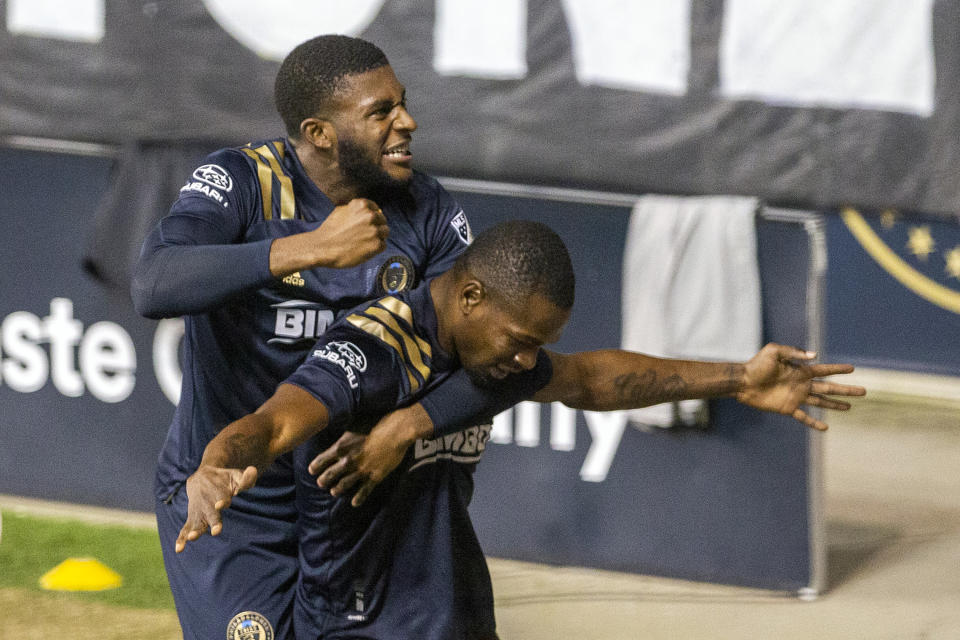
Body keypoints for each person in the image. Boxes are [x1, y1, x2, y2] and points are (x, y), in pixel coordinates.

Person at [177, 220, 865, 640]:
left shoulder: (491, 356)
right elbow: (271, 423)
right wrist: (214, 465)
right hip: (362, 620)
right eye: (520, 339)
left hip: (454, 611)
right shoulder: (372, 352)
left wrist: (740, 379)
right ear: (470, 295)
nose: (527, 359)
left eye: (541, 343)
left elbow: (592, 380)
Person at [132, 35, 530, 640]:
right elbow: (154, 283)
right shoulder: (242, 181)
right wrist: (311, 248)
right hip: (234, 495)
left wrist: (403, 428)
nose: (407, 122)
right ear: (319, 133)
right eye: (381, 112)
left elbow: (496, 360)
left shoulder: (425, 210)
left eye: (403, 102)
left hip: (354, 496)